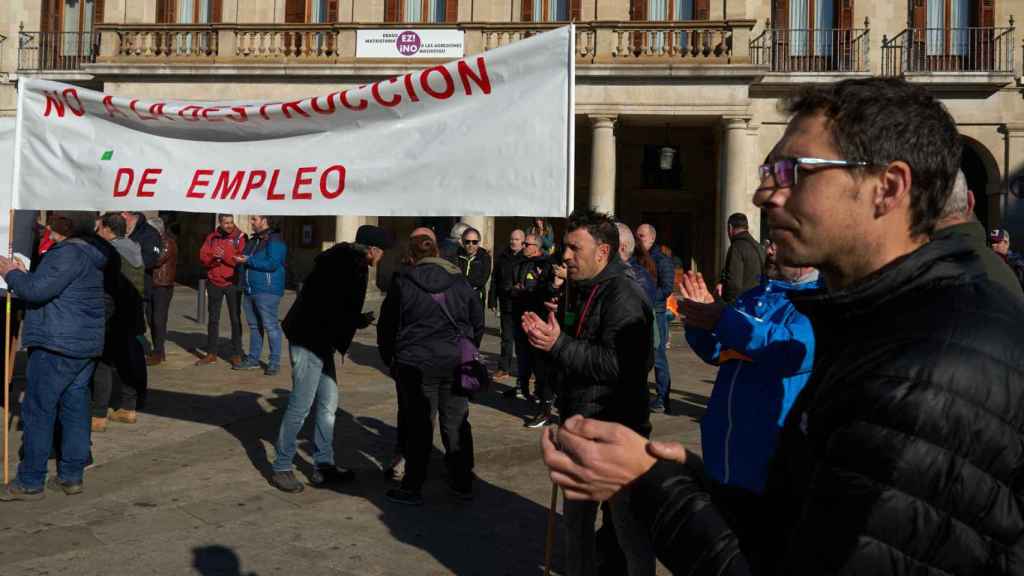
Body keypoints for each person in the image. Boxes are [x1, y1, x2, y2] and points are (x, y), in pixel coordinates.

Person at [540, 77, 1024, 575]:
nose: (764, 193)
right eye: (770, 171)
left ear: (888, 188)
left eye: (795, 171)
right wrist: (693, 480)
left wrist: (649, 485)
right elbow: (809, 525)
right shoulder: (889, 314)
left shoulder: (933, 357)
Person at [522, 208, 655, 576]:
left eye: (573, 248)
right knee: (576, 528)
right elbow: (570, 352)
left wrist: (559, 345)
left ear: (602, 252)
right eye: (564, 246)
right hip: (578, 425)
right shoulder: (581, 290)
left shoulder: (624, 296)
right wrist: (547, 339)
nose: (564, 256)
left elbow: (624, 367)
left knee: (629, 532)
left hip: (615, 431)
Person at [681, 262, 818, 550]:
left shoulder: (818, 301)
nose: (769, 249)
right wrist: (700, 318)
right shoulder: (753, 295)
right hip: (725, 455)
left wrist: (722, 319)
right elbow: (717, 351)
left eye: (779, 242)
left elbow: (789, 350)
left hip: (770, 462)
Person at [271, 225, 394, 493]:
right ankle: (282, 466)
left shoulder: (349, 262)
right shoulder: (346, 265)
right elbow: (328, 305)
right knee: (301, 405)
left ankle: (324, 464)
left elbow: (337, 306)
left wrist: (355, 319)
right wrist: (352, 320)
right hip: (309, 339)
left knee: (328, 403)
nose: (383, 257)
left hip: (322, 340)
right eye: (382, 251)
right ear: (372, 250)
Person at [0, 212, 105, 500]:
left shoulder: (68, 253)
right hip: (81, 341)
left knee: (39, 411)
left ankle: (31, 480)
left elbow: (37, 291)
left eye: (55, 220)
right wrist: (23, 274)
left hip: (57, 343)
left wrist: (9, 272)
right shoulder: (87, 251)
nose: (48, 225)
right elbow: (51, 288)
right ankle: (71, 476)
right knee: (74, 408)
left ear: (66, 227)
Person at [378, 234, 483, 505]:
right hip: (454, 361)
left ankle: (413, 487)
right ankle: (462, 482)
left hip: (416, 364)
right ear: (437, 252)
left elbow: (387, 326)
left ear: (410, 256)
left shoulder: (403, 282)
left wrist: (390, 358)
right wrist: (467, 349)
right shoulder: (460, 281)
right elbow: (477, 321)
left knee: (419, 426)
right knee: (456, 423)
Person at [93, 213, 148, 426]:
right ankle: (128, 408)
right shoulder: (134, 248)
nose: (97, 233)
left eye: (99, 229)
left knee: (104, 363)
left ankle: (98, 415)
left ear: (107, 229)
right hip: (133, 313)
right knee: (127, 362)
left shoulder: (111, 252)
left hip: (114, 315)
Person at [929, 172, 1023, 297]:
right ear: (970, 201)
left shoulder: (1014, 265)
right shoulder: (1000, 274)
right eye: (993, 242)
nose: (996, 246)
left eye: (999, 242)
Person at [507, 233, 558, 427]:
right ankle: (530, 393)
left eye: (527, 244)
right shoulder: (519, 262)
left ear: (537, 247)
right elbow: (510, 287)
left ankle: (545, 408)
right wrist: (517, 290)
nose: (524, 246)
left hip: (539, 320)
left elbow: (547, 290)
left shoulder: (545, 264)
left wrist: (528, 290)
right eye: (524, 243)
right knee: (524, 359)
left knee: (542, 366)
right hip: (521, 317)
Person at [234, 215, 287, 376]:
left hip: (267, 290)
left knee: (270, 326)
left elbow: (272, 264)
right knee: (254, 326)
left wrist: (248, 260)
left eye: (254, 219)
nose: (251, 222)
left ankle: (274, 362)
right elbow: (247, 260)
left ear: (265, 221)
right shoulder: (254, 240)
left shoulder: (275, 241)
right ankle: (253, 359)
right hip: (250, 289)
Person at [197, 214, 247, 367]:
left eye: (231, 222)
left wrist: (224, 256)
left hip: (232, 283)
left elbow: (241, 258)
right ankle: (211, 353)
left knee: (235, 319)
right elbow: (203, 256)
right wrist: (213, 256)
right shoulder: (212, 237)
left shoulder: (240, 237)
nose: (229, 225)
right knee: (213, 319)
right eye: (226, 223)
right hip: (214, 282)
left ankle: (237, 353)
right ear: (220, 223)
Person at [635, 224, 675, 414]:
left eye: (641, 236)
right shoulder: (637, 258)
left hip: (656, 314)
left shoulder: (662, 260)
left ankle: (662, 397)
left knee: (658, 356)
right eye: (637, 235)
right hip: (639, 312)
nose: (638, 239)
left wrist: (647, 297)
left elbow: (667, 288)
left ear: (651, 238)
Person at [121, 211, 162, 351]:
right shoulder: (120, 230)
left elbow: (151, 260)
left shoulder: (149, 233)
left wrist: (126, 261)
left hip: (139, 287)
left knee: (138, 323)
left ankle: (145, 351)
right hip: (120, 286)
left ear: (126, 215)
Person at [489, 229, 526, 380]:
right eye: (511, 239)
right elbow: (495, 280)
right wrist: (492, 299)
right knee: (506, 338)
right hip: (506, 304)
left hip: (523, 304)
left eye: (516, 239)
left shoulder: (527, 258)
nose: (513, 242)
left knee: (524, 340)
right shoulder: (502, 257)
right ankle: (504, 368)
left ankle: (527, 370)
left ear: (523, 242)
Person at [145, 218, 177, 366]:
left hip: (163, 285)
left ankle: (159, 351)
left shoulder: (167, 242)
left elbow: (156, 261)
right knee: (151, 317)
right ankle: (157, 349)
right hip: (152, 284)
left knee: (159, 319)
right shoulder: (154, 242)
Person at [718, 212, 763, 304]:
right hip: (757, 303)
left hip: (741, 306)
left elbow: (733, 284)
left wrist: (726, 303)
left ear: (730, 228)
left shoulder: (737, 247)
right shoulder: (759, 247)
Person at [456, 226, 491, 309]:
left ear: (478, 243)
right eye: (467, 242)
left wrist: (463, 282)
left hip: (476, 298)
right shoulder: (457, 256)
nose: (470, 245)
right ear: (463, 242)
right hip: (459, 298)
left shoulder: (484, 257)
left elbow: (482, 279)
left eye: (474, 242)